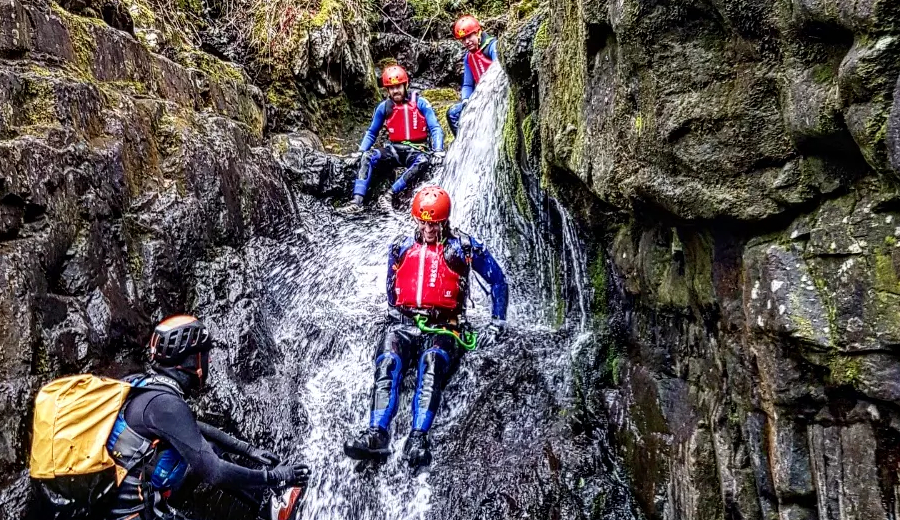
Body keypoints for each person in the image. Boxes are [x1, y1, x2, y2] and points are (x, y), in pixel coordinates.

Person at [343, 186, 508, 468]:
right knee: (387, 365)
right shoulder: (400, 246)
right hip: (404, 323)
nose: (429, 228)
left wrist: (498, 322)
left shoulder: (463, 248)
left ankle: (418, 437)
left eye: (435, 223)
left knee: (432, 364)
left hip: (444, 327)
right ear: (416, 219)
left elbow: (498, 281)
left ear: (444, 221)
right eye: (424, 222)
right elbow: (391, 289)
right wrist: (396, 316)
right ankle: (376, 435)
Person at [105, 315, 310, 520]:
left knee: (211, 448)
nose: (209, 359)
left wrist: (249, 450)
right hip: (134, 515)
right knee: (209, 462)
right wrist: (277, 477)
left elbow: (192, 429)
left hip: (130, 502)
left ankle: (268, 510)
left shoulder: (142, 387)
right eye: (205, 354)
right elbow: (215, 472)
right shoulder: (165, 405)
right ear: (192, 359)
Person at [342, 64, 445, 213]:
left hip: (415, 150)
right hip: (394, 150)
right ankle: (357, 202)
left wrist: (438, 150)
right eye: (391, 88)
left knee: (423, 161)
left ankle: (389, 195)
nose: (395, 90)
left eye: (398, 86)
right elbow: (372, 132)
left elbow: (435, 128)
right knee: (368, 156)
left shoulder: (421, 103)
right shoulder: (384, 107)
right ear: (387, 90)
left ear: (405, 85)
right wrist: (360, 151)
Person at [446, 15, 498, 137]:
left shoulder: (492, 47)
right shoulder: (468, 58)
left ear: (478, 32)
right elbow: (467, 84)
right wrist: (466, 101)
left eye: (469, 36)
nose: (467, 42)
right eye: (463, 39)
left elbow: (499, 72)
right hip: (481, 100)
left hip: (496, 96)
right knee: (453, 113)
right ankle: (462, 145)